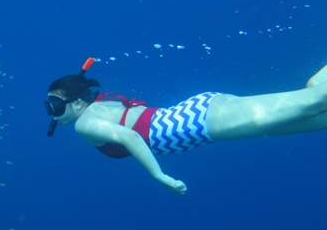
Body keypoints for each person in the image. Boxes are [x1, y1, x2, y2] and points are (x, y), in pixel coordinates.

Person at [45, 62, 327, 194]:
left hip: (196, 123)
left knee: (314, 102)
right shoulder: (102, 105)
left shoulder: (85, 124)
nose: (53, 114)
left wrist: (159, 176)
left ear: (77, 103)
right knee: (313, 115)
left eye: (55, 105)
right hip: (199, 117)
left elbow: (130, 135)